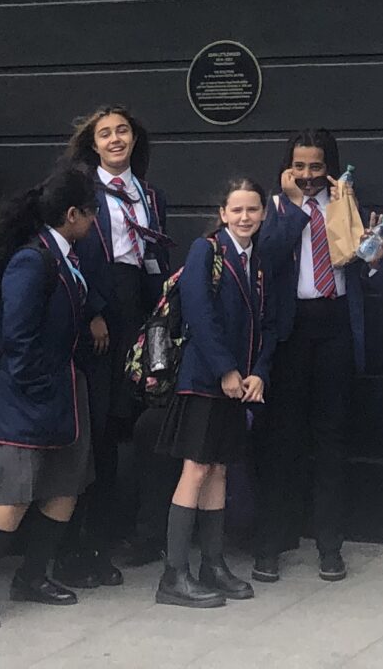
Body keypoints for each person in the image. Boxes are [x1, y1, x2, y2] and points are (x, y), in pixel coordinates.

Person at [0, 159, 103, 632]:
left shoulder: (65, 256)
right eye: (92, 214)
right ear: (73, 214)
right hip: (24, 395)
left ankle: (34, 576)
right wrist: (37, 387)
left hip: (63, 390)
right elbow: (17, 337)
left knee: (63, 487)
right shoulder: (31, 259)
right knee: (13, 496)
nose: (95, 223)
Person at [251, 126, 382, 582]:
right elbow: (266, 259)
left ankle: (330, 547)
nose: (307, 175)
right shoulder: (275, 207)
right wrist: (292, 208)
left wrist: (374, 259)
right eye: (299, 166)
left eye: (316, 167)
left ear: (330, 167)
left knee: (332, 440)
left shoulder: (346, 203)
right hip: (291, 331)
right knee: (281, 442)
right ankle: (270, 545)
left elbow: (363, 269)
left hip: (336, 325)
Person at [152, 177, 272, 608]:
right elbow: (199, 312)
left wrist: (258, 372)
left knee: (219, 469)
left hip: (237, 385)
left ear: (263, 213)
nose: (244, 217)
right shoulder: (207, 250)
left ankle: (213, 564)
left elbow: (268, 324)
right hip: (204, 382)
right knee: (197, 469)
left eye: (252, 209)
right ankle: (174, 575)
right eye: (236, 210)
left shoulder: (258, 260)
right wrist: (225, 369)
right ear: (223, 213)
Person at [67, 103, 171, 581]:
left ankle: (138, 530)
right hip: (98, 303)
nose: (115, 139)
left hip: (139, 305)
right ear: (93, 144)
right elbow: (72, 253)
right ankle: (88, 538)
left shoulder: (149, 194)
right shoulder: (82, 190)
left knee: (138, 418)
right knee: (100, 421)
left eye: (122, 131)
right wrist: (92, 311)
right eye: (105, 133)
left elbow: (155, 256)